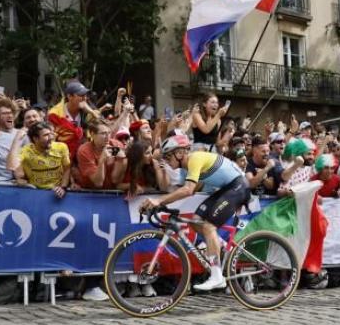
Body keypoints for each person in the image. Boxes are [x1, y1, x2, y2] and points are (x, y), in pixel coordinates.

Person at [142, 135, 249, 291]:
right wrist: (157, 203)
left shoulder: (195, 158)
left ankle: (217, 276)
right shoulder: (186, 170)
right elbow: (184, 191)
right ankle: (219, 245)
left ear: (179, 153)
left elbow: (188, 190)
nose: (165, 160)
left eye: (167, 156)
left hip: (238, 187)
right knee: (196, 220)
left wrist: (159, 201)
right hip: (227, 188)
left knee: (208, 226)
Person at [14, 122, 71, 198]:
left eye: (51, 133)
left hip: (57, 193)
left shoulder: (61, 147)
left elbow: (67, 168)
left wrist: (63, 187)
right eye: (46, 135)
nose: (51, 137)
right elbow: (12, 164)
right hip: (35, 193)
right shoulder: (25, 151)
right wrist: (18, 178)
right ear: (35, 139)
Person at [48, 81, 101, 158]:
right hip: (63, 156)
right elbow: (51, 140)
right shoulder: (55, 114)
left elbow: (102, 125)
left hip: (85, 153)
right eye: (81, 95)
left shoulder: (87, 110)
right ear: (69, 96)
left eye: (85, 95)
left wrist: (91, 111)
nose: (84, 98)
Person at [75, 121, 128, 189]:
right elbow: (98, 183)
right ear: (92, 134)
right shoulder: (84, 150)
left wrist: (121, 160)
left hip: (113, 191)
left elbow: (115, 181)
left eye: (109, 133)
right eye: (103, 133)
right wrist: (101, 161)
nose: (108, 137)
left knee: (124, 159)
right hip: (90, 191)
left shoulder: (117, 145)